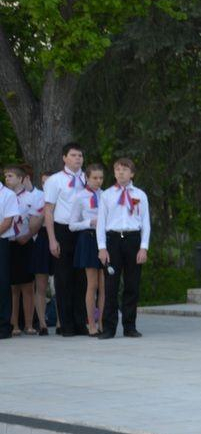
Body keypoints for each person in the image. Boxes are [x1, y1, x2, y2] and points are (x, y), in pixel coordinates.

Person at [97, 158, 151, 339]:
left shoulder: (140, 195)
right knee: (111, 285)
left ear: (132, 174)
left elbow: (146, 223)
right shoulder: (106, 195)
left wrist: (143, 248)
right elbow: (101, 223)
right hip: (113, 239)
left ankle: (130, 326)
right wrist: (102, 248)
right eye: (117, 169)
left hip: (132, 238)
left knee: (132, 284)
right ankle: (109, 327)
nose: (121, 172)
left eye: (125, 170)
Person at [43, 142, 87, 337]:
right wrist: (52, 239)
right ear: (64, 158)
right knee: (63, 279)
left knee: (82, 278)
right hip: (62, 230)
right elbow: (48, 211)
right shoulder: (55, 181)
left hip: (83, 230)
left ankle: (81, 322)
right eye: (74, 155)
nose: (78, 158)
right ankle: (66, 325)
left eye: (80, 155)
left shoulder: (87, 178)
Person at [69, 163, 105, 336]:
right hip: (88, 239)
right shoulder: (79, 197)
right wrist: (90, 222)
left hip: (104, 241)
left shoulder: (106, 195)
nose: (98, 181)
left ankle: (103, 323)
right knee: (93, 284)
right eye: (94, 178)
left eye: (100, 178)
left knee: (104, 285)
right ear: (87, 178)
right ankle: (91, 324)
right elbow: (72, 225)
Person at [5, 165, 36, 336]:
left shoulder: (30, 198)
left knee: (28, 285)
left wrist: (29, 233)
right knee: (13, 287)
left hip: (25, 242)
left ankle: (29, 324)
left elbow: (36, 218)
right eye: (5, 176)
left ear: (20, 178)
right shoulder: (4, 197)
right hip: (10, 242)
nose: (7, 179)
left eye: (10, 176)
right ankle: (14, 323)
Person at [27, 170, 52, 335]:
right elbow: (31, 227)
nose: (47, 185)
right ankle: (42, 323)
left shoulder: (63, 199)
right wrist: (44, 212)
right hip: (42, 238)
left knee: (60, 284)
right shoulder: (37, 199)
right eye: (44, 183)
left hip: (58, 235)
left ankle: (61, 322)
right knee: (41, 284)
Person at [0, 177, 20, 340]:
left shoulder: (7, 195)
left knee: (2, 283)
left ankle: (4, 326)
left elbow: (7, 222)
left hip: (1, 242)